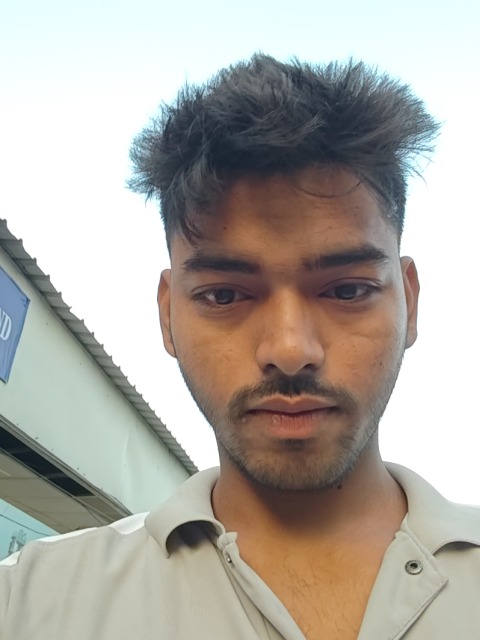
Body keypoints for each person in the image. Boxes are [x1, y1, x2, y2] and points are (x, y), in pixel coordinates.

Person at [1, 54, 479, 640]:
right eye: (224, 295)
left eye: (347, 290)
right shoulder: (28, 604)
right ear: (168, 315)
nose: (290, 349)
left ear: (410, 301)